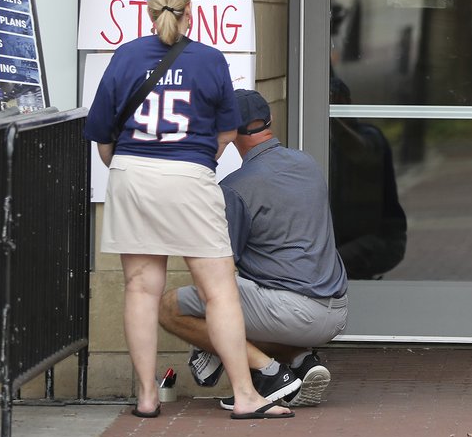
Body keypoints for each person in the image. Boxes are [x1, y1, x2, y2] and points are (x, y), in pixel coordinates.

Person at [84, 0, 293, 421]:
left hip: (131, 176)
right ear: (189, 11)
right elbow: (227, 132)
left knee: (141, 288)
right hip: (190, 177)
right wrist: (200, 159)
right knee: (218, 292)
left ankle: (146, 396)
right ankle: (245, 395)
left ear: (147, 9)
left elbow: (102, 137)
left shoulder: (125, 57)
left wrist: (129, 166)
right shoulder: (210, 60)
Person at [160, 88, 349, 410]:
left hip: (291, 311)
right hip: (336, 310)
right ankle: (300, 359)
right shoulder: (307, 163)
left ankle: (270, 374)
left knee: (169, 307)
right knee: (235, 301)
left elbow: (218, 268)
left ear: (229, 130)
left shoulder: (235, 188)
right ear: (270, 119)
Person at [329, 76, 408, 279]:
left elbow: (362, 153)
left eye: (335, 103)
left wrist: (331, 117)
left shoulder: (371, 137)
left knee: (325, 264)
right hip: (342, 242)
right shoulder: (324, 144)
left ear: (347, 104)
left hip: (379, 240)